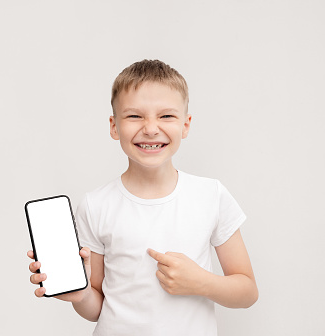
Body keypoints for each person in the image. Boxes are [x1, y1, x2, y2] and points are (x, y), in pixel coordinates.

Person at [27, 59, 258, 335]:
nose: (150, 128)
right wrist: (82, 293)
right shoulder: (95, 205)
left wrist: (200, 282)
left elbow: (247, 291)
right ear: (114, 126)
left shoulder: (212, 195)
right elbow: (97, 308)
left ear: (186, 125)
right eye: (135, 116)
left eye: (166, 116)